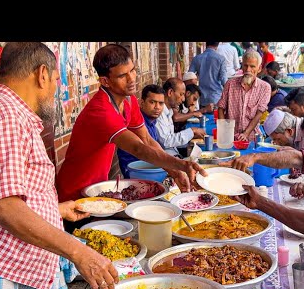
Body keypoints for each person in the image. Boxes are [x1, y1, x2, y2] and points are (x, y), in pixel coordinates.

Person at [0, 42, 119, 289]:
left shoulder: (5, 113)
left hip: (12, 265)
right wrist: (80, 253)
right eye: (56, 80)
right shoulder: (6, 116)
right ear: (41, 75)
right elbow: (3, 205)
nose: (55, 90)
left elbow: (5, 194)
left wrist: (55, 209)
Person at [56, 44, 206, 202]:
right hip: (74, 194)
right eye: (122, 76)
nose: (132, 79)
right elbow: (139, 148)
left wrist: (174, 171)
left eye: (132, 70)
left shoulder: (129, 100)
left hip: (96, 189)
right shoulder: (101, 111)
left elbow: (147, 140)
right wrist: (181, 165)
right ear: (105, 81)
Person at [217, 49, 271, 142]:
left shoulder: (265, 88)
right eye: (245, 66)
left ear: (259, 68)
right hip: (231, 137)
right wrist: (224, 130)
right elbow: (221, 108)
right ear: (242, 66)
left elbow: (259, 114)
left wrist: (245, 134)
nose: (248, 70)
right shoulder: (230, 84)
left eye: (252, 66)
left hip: (252, 138)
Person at [117, 84, 165, 178]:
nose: (157, 107)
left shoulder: (152, 122)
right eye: (152, 102)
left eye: (161, 103)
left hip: (150, 167)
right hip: (136, 173)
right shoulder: (137, 124)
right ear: (142, 103)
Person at [156, 77, 205, 156]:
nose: (183, 99)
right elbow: (166, 142)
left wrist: (190, 137)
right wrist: (192, 131)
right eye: (181, 94)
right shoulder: (158, 113)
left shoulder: (169, 111)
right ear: (170, 92)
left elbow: (172, 141)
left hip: (175, 153)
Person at [188, 42, 228, 107]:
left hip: (202, 98)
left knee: (203, 116)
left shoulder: (196, 58)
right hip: (216, 98)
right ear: (217, 45)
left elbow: (189, 77)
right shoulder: (221, 59)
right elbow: (224, 80)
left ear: (206, 44)